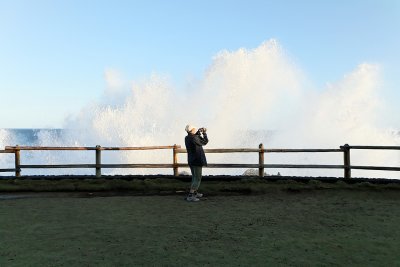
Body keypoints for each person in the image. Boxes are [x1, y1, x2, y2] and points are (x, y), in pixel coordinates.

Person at [184, 124, 208, 202]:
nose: (195, 129)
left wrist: (198, 132)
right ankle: (191, 195)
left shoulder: (187, 137)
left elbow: (195, 138)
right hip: (197, 160)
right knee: (197, 178)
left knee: (194, 177)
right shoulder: (194, 138)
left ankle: (195, 192)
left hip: (191, 160)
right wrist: (204, 133)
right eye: (194, 129)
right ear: (192, 130)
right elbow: (204, 142)